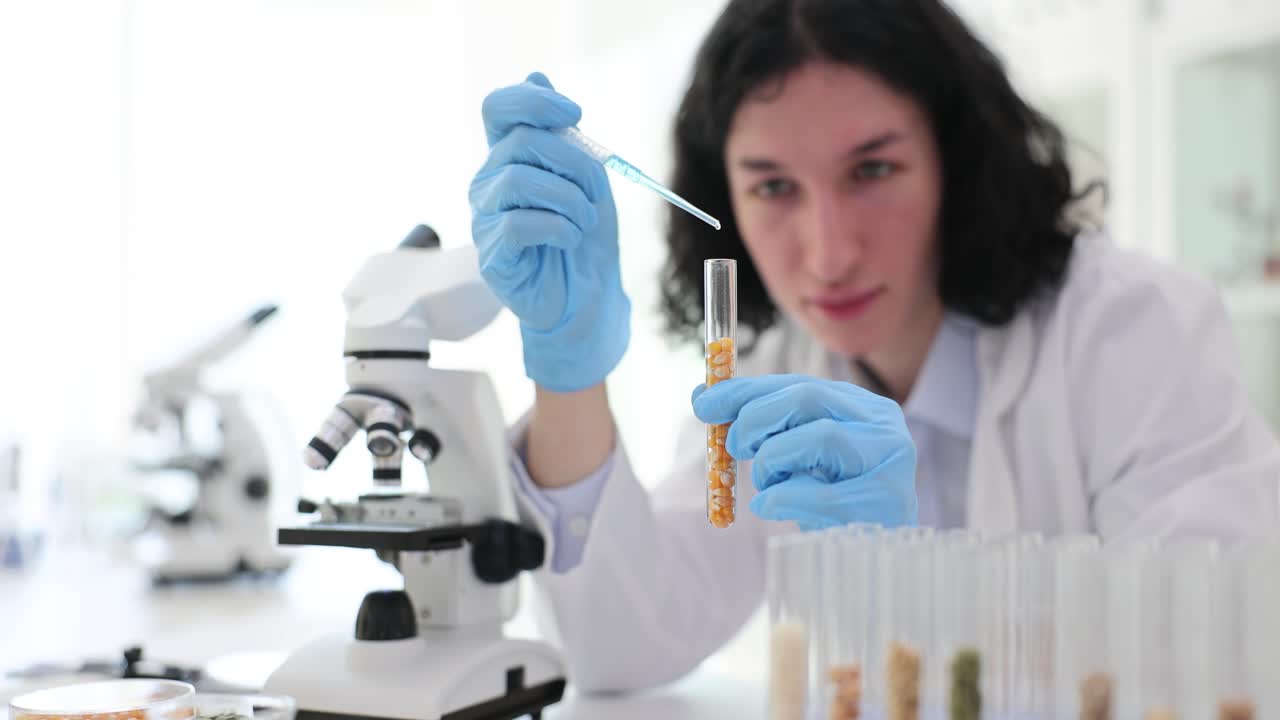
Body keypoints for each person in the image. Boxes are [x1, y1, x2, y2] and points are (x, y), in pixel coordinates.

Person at [467, 0, 1280, 694]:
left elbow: (1221, 657)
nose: (828, 255)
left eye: (873, 169)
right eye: (773, 186)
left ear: (955, 163)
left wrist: (922, 574)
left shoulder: (1130, 332)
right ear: (724, 196)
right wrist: (568, 369)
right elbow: (623, 648)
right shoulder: (769, 358)